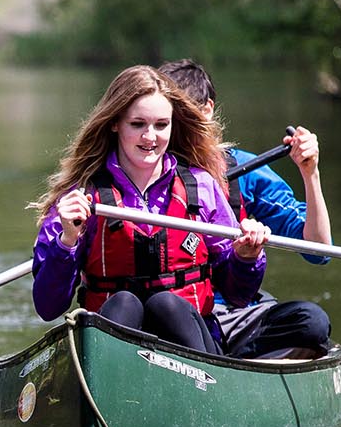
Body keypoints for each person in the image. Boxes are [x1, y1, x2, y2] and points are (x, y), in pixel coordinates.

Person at [30, 65, 271, 355]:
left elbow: (238, 295)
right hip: (114, 351)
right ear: (115, 123)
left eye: (161, 125)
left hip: (194, 352)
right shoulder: (82, 198)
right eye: (138, 124)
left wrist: (246, 257)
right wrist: (66, 241)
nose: (150, 137)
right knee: (124, 303)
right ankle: (110, 388)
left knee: (165, 304)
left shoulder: (202, 187)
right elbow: (48, 307)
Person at [159, 59, 332, 359]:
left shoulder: (244, 171)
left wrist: (310, 173)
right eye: (165, 119)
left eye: (183, 117)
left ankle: (231, 363)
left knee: (312, 323)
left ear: (207, 110)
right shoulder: (144, 172)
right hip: (173, 311)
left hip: (235, 313)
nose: (173, 131)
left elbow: (318, 250)